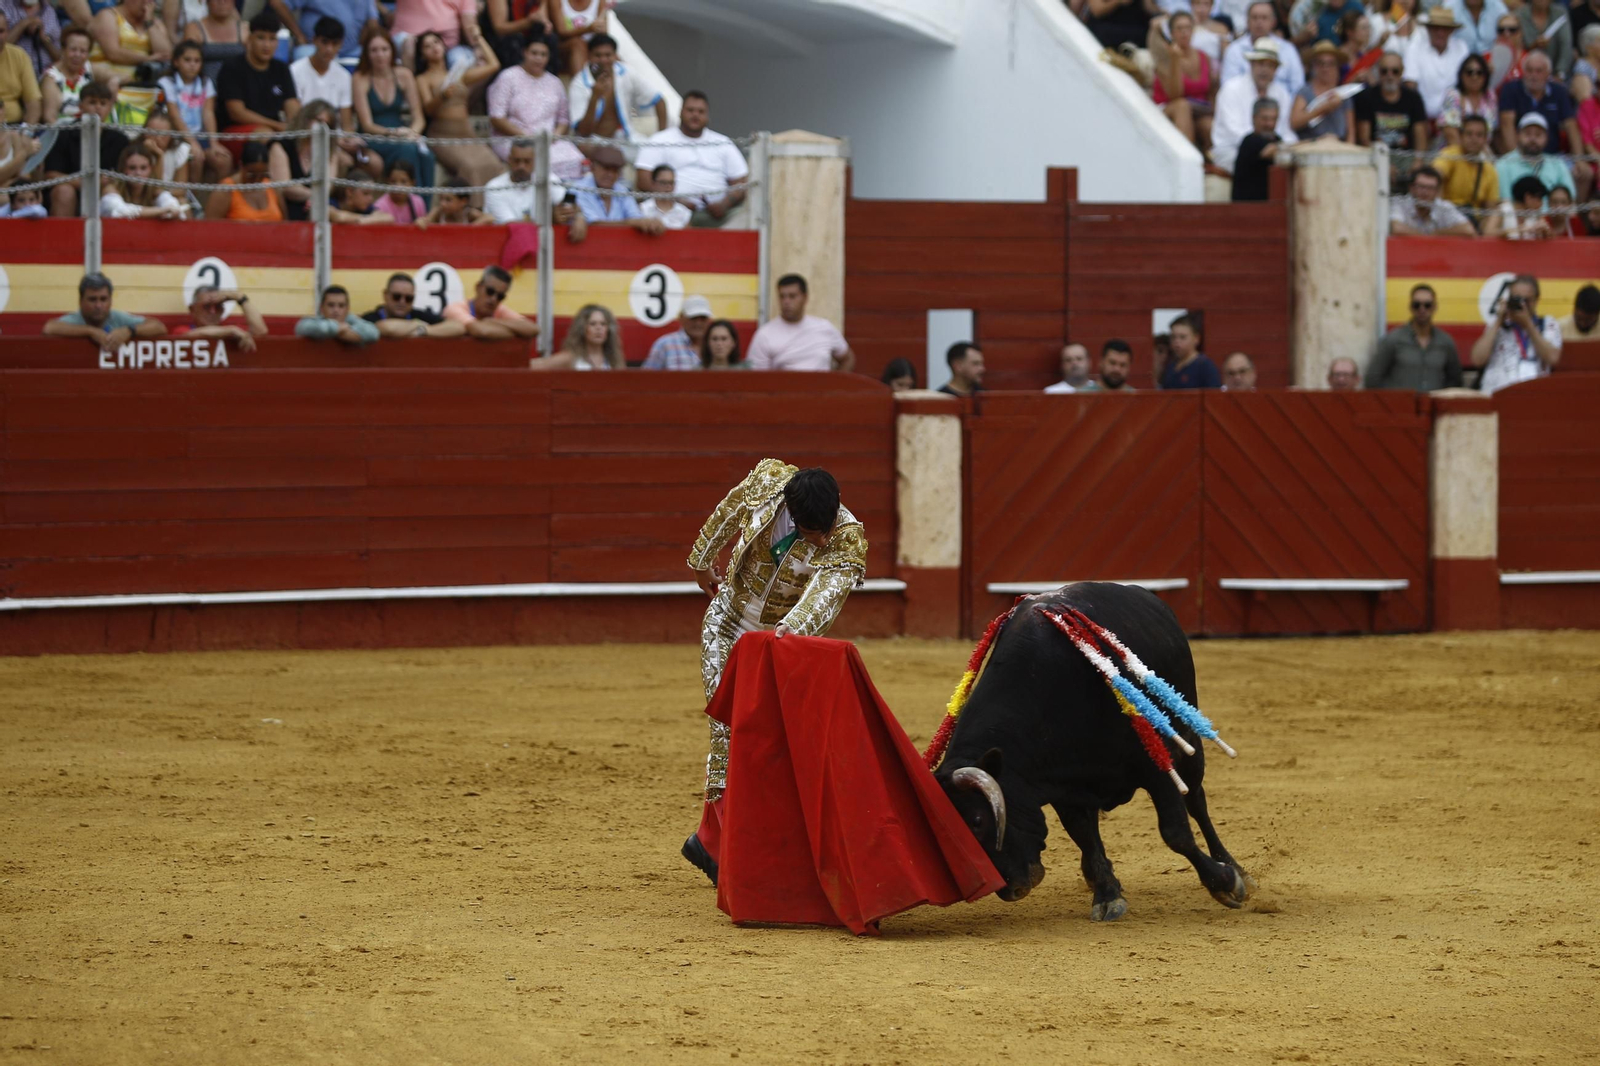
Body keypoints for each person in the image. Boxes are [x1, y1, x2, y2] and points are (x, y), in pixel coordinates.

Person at [680, 460, 869, 886]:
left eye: (824, 529)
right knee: (730, 727)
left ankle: (714, 841)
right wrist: (701, 560)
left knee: (775, 738)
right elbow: (729, 511)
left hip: (780, 646)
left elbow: (825, 596)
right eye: (810, 531)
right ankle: (719, 844)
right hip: (728, 623)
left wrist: (788, 633)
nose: (820, 539)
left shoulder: (847, 537)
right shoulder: (768, 482)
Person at [634, 90, 748, 227]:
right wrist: (677, 202)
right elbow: (643, 180)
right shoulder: (660, 140)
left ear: (708, 116)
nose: (695, 115)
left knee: (745, 217)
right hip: (673, 212)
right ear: (680, 112)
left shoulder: (723, 143)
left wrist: (724, 204)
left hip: (718, 215)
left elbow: (741, 182)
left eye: (701, 111)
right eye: (690, 110)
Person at [1497, 50, 1592, 199]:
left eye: (1539, 71)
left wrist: (1579, 159)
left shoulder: (1559, 91)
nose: (1534, 75)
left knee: (1584, 173)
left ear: (1548, 73)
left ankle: (1572, 219)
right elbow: (1506, 125)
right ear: (1523, 72)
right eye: (1529, 70)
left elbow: (1571, 126)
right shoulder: (1511, 89)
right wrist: (1516, 158)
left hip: (1553, 156)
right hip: (1522, 152)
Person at [414, 28, 501, 189]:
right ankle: (473, 210)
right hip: (442, 136)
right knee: (470, 167)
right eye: (427, 46)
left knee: (494, 164)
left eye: (436, 42)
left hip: (466, 134)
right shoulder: (423, 79)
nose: (434, 47)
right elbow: (428, 109)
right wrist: (443, 96)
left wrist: (478, 38)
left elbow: (493, 65)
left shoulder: (459, 74)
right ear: (422, 54)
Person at [486, 35, 583, 176]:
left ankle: (564, 197)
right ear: (525, 52)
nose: (539, 58)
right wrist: (527, 138)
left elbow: (563, 120)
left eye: (543, 54)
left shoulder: (554, 82)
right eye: (534, 53)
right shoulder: (508, 77)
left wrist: (555, 136)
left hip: (549, 141)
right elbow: (496, 117)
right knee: (541, 162)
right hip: (515, 140)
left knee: (577, 160)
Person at [353, 28, 434, 196]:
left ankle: (423, 207)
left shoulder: (404, 75)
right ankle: (412, 202)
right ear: (367, 54)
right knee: (408, 150)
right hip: (374, 135)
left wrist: (412, 133)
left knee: (427, 156)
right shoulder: (360, 78)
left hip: (401, 133)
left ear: (392, 51)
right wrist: (394, 133)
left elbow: (419, 117)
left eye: (384, 49)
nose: (380, 55)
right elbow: (367, 124)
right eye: (374, 50)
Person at [43, 80, 128, 217]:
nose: (98, 108)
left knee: (112, 190)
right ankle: (62, 237)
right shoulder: (63, 134)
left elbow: (127, 175)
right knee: (65, 191)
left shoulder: (120, 140)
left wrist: (108, 182)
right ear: (81, 105)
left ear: (110, 106)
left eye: (103, 103)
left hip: (104, 192)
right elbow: (51, 175)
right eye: (92, 102)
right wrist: (90, 184)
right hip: (70, 192)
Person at [1212, 37, 1298, 173]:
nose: (1264, 70)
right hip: (1233, 151)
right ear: (1251, 64)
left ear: (1276, 69)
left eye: (1270, 65)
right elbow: (1234, 132)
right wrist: (1266, 147)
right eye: (1260, 64)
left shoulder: (1282, 94)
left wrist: (1283, 148)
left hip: (1273, 151)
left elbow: (1286, 131)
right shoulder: (1231, 89)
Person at [216, 11, 300, 144]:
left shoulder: (281, 69)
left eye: (272, 39)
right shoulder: (232, 67)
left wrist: (297, 127)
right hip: (234, 132)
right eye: (261, 38)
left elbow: (292, 106)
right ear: (249, 39)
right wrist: (277, 126)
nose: (267, 45)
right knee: (265, 134)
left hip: (273, 130)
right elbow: (237, 113)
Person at [745, 274, 855, 372]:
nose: (786, 302)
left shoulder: (824, 328)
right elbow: (756, 377)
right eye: (782, 296)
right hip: (784, 393)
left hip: (821, 393)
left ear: (805, 298)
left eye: (792, 296)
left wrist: (835, 386)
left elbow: (847, 359)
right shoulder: (765, 334)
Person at [1471, 273, 1562, 393]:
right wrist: (1498, 321)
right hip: (1496, 393)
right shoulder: (1497, 325)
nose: (1522, 304)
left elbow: (1553, 358)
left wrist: (1528, 325)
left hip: (1533, 395)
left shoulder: (1547, 324)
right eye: (1517, 299)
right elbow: (1477, 360)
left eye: (1527, 300)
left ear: (1536, 300)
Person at [568, 32, 664, 143]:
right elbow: (583, 132)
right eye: (598, 55)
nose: (603, 60)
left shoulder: (626, 72)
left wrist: (662, 137)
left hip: (625, 138)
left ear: (615, 55)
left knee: (652, 153)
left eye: (608, 55)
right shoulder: (578, 84)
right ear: (589, 56)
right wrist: (595, 96)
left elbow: (659, 101)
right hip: (591, 144)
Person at [158, 39, 233, 179]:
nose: (192, 65)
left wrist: (214, 142)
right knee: (196, 158)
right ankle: (191, 198)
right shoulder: (167, 83)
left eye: (197, 61)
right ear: (176, 62)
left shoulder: (206, 82)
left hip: (201, 136)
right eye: (187, 60)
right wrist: (192, 142)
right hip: (176, 137)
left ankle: (214, 200)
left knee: (224, 160)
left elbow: (208, 113)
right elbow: (174, 116)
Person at [1365, 283, 1463, 388]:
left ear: (1435, 307)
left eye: (1427, 305)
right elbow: (1372, 379)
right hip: (1402, 403)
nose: (1422, 309)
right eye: (1416, 305)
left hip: (1434, 403)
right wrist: (1395, 398)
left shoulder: (1445, 342)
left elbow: (1456, 380)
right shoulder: (1393, 339)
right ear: (1410, 307)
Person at [564, 143, 664, 240]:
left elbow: (636, 218)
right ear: (593, 167)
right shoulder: (578, 189)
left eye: (615, 170)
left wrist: (650, 223)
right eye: (606, 169)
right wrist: (632, 223)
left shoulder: (622, 190)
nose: (610, 175)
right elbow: (595, 225)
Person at [44, 271, 167, 348]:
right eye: (92, 299)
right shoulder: (76, 318)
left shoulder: (117, 317)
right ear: (80, 301)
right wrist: (90, 331)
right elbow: (49, 328)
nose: (98, 305)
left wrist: (129, 331)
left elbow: (158, 326)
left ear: (111, 301)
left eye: (103, 299)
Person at [1150, 10, 1217, 147]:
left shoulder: (1204, 57)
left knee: (1208, 125)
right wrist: (1175, 60)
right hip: (1169, 107)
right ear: (1172, 33)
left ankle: (1214, 164)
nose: (1184, 32)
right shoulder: (1165, 58)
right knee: (1182, 106)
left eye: (1188, 28)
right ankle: (1187, 156)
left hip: (1199, 108)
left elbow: (1210, 90)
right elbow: (1175, 94)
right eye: (1179, 28)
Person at [1355, 51, 1430, 164]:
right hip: (1376, 158)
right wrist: (1384, 165)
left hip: (1407, 158)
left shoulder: (1413, 97)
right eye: (1384, 71)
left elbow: (1420, 133)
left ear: (1402, 72)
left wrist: (1418, 161)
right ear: (1378, 72)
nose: (1389, 76)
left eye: (1395, 71)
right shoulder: (1367, 97)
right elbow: (1364, 139)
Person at [1222, 3, 1308, 94]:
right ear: (1247, 21)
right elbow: (1228, 86)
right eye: (1254, 17)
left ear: (1273, 22)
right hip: (1242, 104)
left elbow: (1298, 88)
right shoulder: (1234, 50)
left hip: (1282, 105)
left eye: (1264, 18)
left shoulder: (1288, 49)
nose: (1259, 22)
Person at [1432, 114, 1501, 222]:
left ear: (1485, 139)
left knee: (1502, 210)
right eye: (1469, 134)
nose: (1474, 139)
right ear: (1461, 136)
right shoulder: (1450, 154)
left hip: (1474, 222)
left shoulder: (1489, 169)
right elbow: (1435, 177)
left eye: (1479, 135)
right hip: (1446, 217)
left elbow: (1490, 209)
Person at [88, 0, 168, 92]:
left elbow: (165, 55)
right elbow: (113, 53)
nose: (147, 3)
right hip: (109, 84)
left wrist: (149, 23)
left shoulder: (154, 23)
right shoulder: (108, 16)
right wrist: (147, 59)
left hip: (144, 88)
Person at [441, 265, 540, 340]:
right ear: (478, 287)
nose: (494, 299)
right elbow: (482, 331)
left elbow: (533, 329)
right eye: (490, 291)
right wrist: (516, 331)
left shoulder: (499, 309)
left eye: (500, 296)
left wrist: (492, 322)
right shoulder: (456, 309)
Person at [289, 17, 353, 129]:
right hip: (304, 135)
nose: (329, 49)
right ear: (314, 40)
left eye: (335, 44)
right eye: (325, 42)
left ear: (341, 44)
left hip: (334, 139)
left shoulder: (344, 76)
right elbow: (296, 119)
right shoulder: (295, 71)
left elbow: (346, 124)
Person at [1496, 112, 1576, 201]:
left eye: (1538, 135)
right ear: (1518, 136)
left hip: (1552, 215)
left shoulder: (1557, 164)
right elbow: (1505, 202)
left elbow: (1570, 199)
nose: (1533, 139)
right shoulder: (1503, 165)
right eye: (1527, 134)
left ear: (1546, 138)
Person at [361, 271, 466, 338]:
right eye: (396, 296)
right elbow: (387, 328)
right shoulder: (370, 317)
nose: (402, 302)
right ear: (385, 295)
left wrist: (423, 330)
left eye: (408, 298)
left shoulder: (417, 314)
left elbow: (458, 327)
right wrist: (417, 324)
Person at [270, 0, 379, 61]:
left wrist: (364, 40)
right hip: (316, 48)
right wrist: (299, 35)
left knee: (379, 55)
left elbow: (372, 22)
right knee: (304, 55)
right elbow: (277, 3)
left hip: (353, 50)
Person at [99, 141, 187, 218]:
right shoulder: (111, 188)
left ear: (150, 170)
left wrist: (171, 211)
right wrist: (161, 211)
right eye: (132, 168)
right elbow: (121, 211)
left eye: (143, 168)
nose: (138, 173)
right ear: (123, 170)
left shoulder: (155, 192)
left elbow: (174, 208)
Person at [1292, 41, 1355, 142]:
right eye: (1320, 63)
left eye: (1331, 64)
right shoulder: (1305, 92)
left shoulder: (1344, 94)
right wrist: (1323, 109)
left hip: (1339, 148)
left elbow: (1351, 132)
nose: (1325, 68)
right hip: (1312, 147)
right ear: (1313, 66)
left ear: (1337, 67)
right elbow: (1294, 122)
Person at [205, 141, 285, 220]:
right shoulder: (225, 191)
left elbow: (285, 223)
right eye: (251, 175)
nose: (257, 180)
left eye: (262, 175)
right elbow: (210, 226)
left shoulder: (272, 188)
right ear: (241, 166)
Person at [177, 283, 269, 351]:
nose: (213, 311)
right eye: (206, 306)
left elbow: (260, 331)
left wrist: (239, 297)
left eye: (218, 306)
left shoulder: (234, 331)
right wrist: (230, 331)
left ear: (223, 310)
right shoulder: (182, 329)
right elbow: (189, 335)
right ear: (192, 309)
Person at [532, 303, 624, 369]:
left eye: (603, 324)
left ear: (609, 329)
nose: (598, 328)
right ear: (582, 328)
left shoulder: (614, 360)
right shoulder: (570, 357)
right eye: (592, 324)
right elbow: (535, 365)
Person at [391, 0, 479, 69]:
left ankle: (451, 91)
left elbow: (469, 23)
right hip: (408, 37)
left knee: (463, 61)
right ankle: (410, 88)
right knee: (408, 44)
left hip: (450, 45)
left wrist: (477, 47)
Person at [1390, 165, 1476, 234]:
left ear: (1437, 192)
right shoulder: (1399, 203)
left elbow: (1468, 230)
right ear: (1411, 188)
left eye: (1430, 188)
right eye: (1421, 187)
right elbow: (1396, 228)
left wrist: (1436, 234)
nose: (1425, 192)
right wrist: (1428, 239)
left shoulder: (1444, 207)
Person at [1437, 54, 1497, 146]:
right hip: (1455, 153)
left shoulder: (1490, 96)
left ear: (1485, 76)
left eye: (1479, 72)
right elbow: (1450, 133)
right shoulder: (1453, 95)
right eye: (1469, 72)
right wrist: (1467, 158)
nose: (1474, 77)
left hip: (1482, 152)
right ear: (1461, 75)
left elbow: (1491, 132)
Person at [184, 0, 247, 85]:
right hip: (204, 87)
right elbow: (187, 59)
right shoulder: (194, 28)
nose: (222, 2)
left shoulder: (244, 28)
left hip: (239, 85)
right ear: (207, 2)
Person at [642, 295, 712, 370]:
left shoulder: (716, 343)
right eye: (693, 318)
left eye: (703, 318)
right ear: (681, 318)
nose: (698, 323)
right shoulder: (664, 345)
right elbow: (646, 378)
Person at [1232, 97, 1283, 200]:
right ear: (1254, 118)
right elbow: (1268, 152)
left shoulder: (1277, 139)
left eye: (1274, 119)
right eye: (1265, 119)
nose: (1270, 124)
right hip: (1248, 208)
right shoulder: (1250, 141)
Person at [296, 284, 380, 345]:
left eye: (341, 306)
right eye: (331, 305)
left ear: (347, 309)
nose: (336, 310)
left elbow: (374, 333)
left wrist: (338, 331)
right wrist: (338, 328)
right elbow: (301, 328)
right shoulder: (312, 323)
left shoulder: (351, 321)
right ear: (321, 308)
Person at [40, 23, 90, 124]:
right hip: (63, 132)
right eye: (73, 49)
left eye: (83, 51)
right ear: (63, 50)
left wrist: (114, 82)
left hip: (89, 129)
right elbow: (49, 117)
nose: (78, 55)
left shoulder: (88, 68)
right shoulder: (51, 78)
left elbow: (112, 75)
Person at [0, 5, 41, 123]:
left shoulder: (19, 55)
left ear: (8, 31)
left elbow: (33, 101)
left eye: (1, 31)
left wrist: (27, 132)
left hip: (15, 128)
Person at [0, 0, 59, 80]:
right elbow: (2, 44)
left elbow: (60, 57)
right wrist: (24, 24)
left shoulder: (49, 11)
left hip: (46, 76)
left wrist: (44, 39)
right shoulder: (4, 6)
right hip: (14, 75)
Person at [1159, 314, 1222, 388]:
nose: (1177, 342)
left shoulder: (1205, 367)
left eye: (1182, 337)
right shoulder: (1170, 367)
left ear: (1196, 338)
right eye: (1173, 337)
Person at [1517, 0, 1574, 81]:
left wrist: (1560, 74)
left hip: (1555, 72)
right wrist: (1534, 45)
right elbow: (1517, 48)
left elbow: (1566, 45)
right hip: (1527, 73)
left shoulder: (1560, 13)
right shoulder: (1520, 15)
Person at [550, 0, 610, 75]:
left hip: (591, 47)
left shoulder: (600, 1)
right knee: (578, 44)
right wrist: (588, 29)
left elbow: (604, 32)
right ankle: (581, 83)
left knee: (609, 52)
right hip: (564, 46)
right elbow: (562, 31)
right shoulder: (557, 2)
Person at [483, 137, 535, 222]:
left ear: (535, 161)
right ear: (509, 160)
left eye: (527, 161)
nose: (521, 166)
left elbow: (562, 204)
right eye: (517, 161)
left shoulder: (547, 180)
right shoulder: (494, 188)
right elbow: (512, 226)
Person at [1083, 0, 1161, 51]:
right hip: (1103, 27)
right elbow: (1097, 11)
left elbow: (1150, 9)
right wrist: (1118, 2)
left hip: (1133, 29)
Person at [1497, 173, 1555, 238]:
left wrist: (1546, 232)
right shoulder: (1503, 210)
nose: (1541, 204)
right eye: (1539, 199)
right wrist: (1516, 230)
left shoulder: (1536, 216)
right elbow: (1488, 232)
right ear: (1528, 197)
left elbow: (1552, 239)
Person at [417, 178, 495, 225]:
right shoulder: (438, 212)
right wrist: (421, 222)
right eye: (441, 199)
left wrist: (468, 230)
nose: (442, 204)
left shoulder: (469, 214)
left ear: (463, 201)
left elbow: (489, 218)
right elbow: (424, 221)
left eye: (448, 200)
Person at [639, 165, 691, 230]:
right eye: (663, 183)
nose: (668, 187)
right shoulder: (643, 209)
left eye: (671, 183)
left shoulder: (683, 212)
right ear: (653, 183)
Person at [327, 178, 393, 223]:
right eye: (365, 193)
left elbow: (389, 218)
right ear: (349, 191)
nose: (371, 198)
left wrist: (360, 220)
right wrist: (366, 219)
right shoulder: (331, 203)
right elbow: (338, 217)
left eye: (371, 194)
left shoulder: (365, 208)